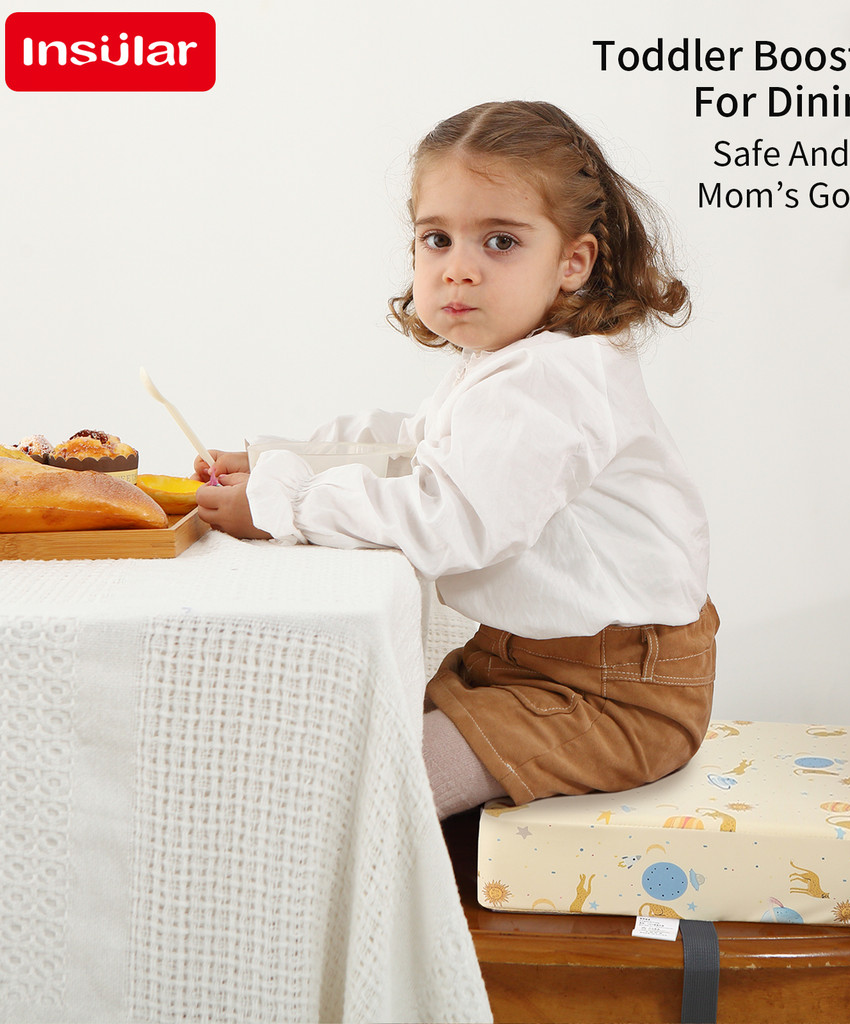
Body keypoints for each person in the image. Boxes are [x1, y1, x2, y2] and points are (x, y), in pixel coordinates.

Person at [195, 100, 718, 818]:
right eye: (436, 239)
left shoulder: (550, 379)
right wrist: (281, 462)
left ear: (573, 262)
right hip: (527, 662)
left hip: (615, 694)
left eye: (500, 242)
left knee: (367, 792)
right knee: (338, 745)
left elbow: (454, 518)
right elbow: (418, 449)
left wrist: (285, 506)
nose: (458, 270)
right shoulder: (511, 366)